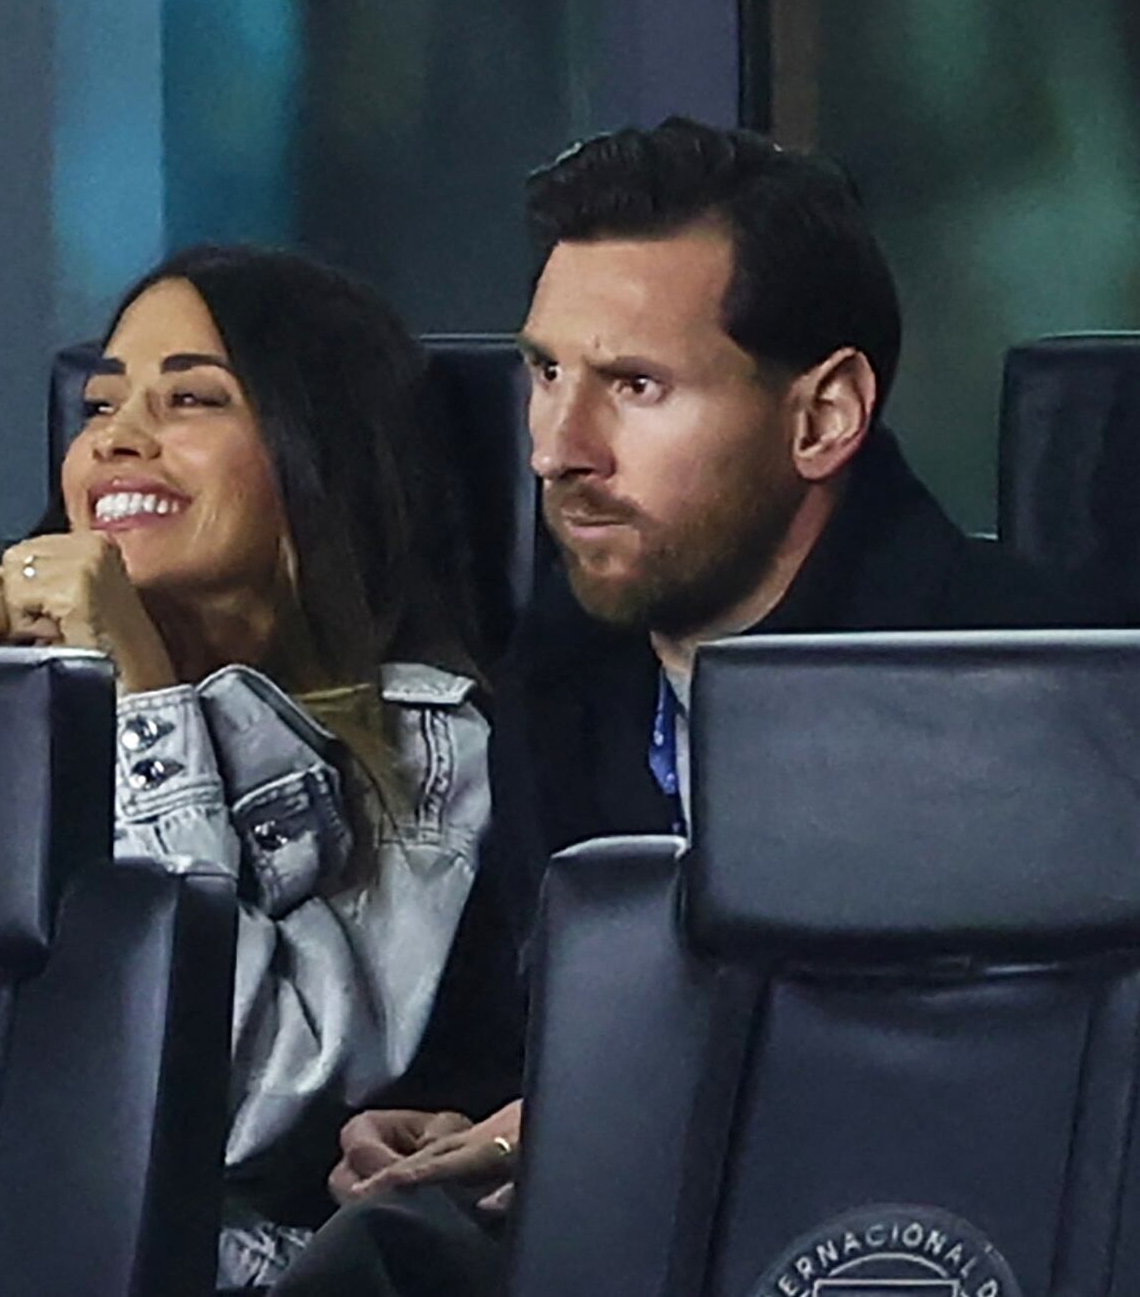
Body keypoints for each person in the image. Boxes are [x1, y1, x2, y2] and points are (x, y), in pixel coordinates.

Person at [272, 120, 1083, 1297]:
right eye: (546, 372)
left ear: (823, 416)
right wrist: (428, 1123)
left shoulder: (1020, 690)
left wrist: (580, 1130)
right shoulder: (562, 676)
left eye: (634, 385)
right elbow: (518, 1031)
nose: (559, 447)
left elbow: (999, 1099)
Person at [0, 244, 496, 1291]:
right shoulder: (8, 692)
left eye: (191, 399)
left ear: (318, 451)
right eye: (99, 406)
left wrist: (141, 697)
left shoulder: (426, 739)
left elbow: (242, 1106)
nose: (119, 438)